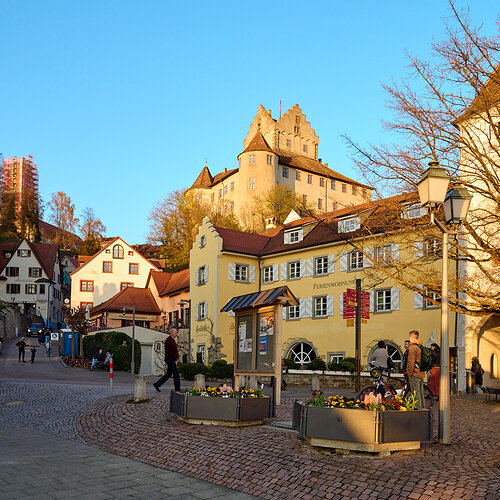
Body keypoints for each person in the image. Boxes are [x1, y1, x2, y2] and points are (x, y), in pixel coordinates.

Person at [406, 330, 425, 409]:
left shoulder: (413, 347)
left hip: (415, 373)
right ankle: (423, 409)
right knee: (421, 394)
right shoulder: (420, 346)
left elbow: (411, 362)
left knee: (415, 394)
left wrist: (409, 374)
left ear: (411, 337)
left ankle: (418, 411)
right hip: (421, 373)